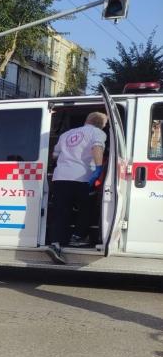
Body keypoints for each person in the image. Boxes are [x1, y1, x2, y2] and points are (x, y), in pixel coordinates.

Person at [47, 111, 108, 264]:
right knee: (86, 208)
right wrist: (99, 168)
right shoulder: (97, 133)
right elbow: (97, 148)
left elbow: (54, 155)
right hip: (83, 178)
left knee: (61, 211)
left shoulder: (66, 134)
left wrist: (69, 155)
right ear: (100, 124)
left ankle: (56, 244)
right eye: (105, 124)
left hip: (60, 177)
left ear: (87, 120)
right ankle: (78, 237)